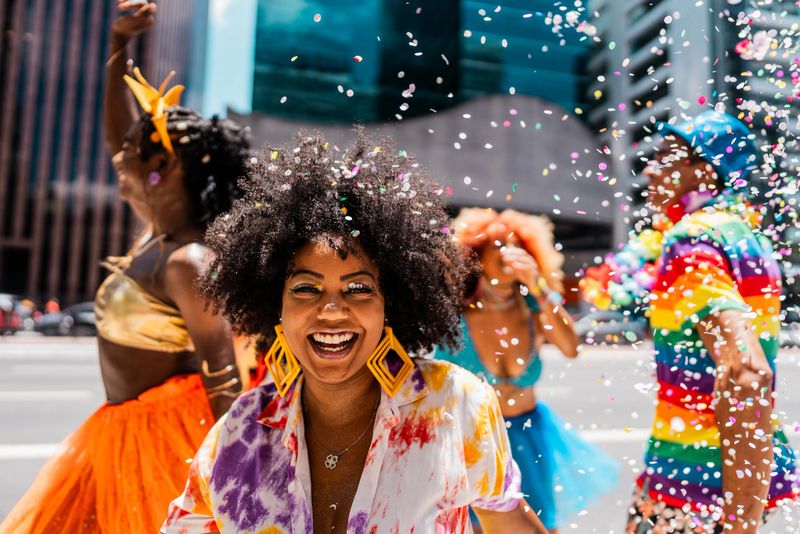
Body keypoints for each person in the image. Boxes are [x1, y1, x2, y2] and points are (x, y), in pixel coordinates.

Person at [161, 131, 548, 533]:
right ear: (275, 306)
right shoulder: (241, 429)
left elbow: (505, 517)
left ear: (391, 303)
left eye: (359, 289)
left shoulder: (454, 404)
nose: (331, 311)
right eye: (306, 288)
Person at [0, 4, 248, 533]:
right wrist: (118, 49)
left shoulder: (188, 261)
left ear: (161, 169)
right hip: (116, 435)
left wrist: (243, 480)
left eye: (132, 152)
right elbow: (118, 136)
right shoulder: (157, 236)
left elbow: (224, 378)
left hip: (166, 444)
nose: (118, 158)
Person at [626, 110, 799, 533]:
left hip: (690, 494)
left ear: (704, 171)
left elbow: (747, 373)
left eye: (666, 155)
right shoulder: (747, 235)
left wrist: (740, 528)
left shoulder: (691, 238)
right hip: (727, 484)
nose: (649, 169)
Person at [435, 208, 619, 531]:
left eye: (517, 245)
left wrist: (539, 288)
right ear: (475, 256)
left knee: (541, 528)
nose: (511, 253)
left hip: (530, 436)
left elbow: (571, 347)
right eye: (499, 246)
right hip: (472, 441)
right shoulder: (455, 315)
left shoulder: (535, 308)